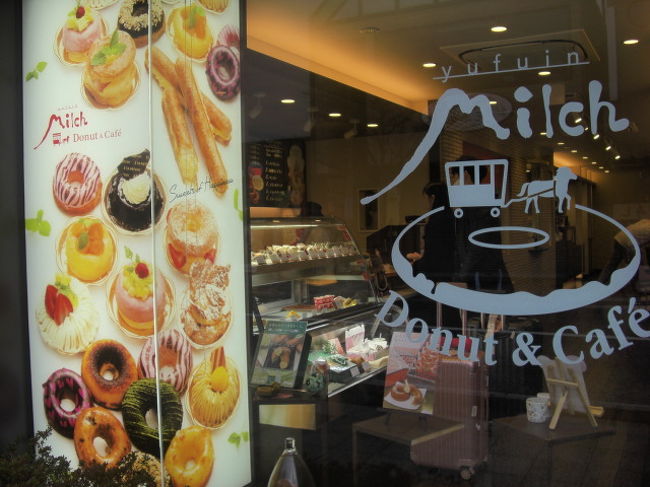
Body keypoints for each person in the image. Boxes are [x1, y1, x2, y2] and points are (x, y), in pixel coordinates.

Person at [599, 218, 650, 283]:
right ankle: (638, 285)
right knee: (637, 266)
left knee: (612, 263)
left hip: (619, 237)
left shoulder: (646, 221)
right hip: (629, 243)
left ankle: (601, 281)